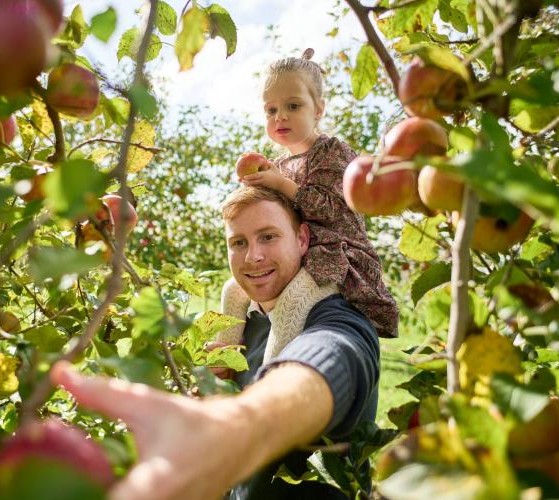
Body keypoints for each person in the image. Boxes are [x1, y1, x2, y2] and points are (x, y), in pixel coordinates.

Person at [52, 186, 380, 500]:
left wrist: (234, 424)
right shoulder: (244, 324)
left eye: (268, 236)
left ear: (302, 238)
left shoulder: (338, 317)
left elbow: (331, 358)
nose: (253, 256)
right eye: (238, 242)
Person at [218, 48, 398, 348]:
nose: (281, 116)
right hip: (299, 256)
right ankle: (223, 359)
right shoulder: (280, 165)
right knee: (232, 290)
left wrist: (281, 184)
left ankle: (272, 376)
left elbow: (332, 211)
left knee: (292, 302)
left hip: (336, 256)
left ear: (319, 109)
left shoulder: (332, 153)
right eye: (271, 110)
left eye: (293, 105)